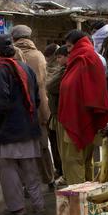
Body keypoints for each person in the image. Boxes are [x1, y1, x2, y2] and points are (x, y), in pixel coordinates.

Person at [0, 35, 44, 215]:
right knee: (31, 170)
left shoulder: (0, 70)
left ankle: (17, 208)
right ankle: (38, 205)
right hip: (28, 128)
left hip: (8, 130)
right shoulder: (26, 68)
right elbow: (35, 99)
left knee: (8, 170)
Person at [57, 30, 108, 185]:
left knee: (73, 160)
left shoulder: (86, 59)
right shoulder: (82, 59)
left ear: (78, 44)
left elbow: (91, 92)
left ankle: (78, 199)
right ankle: (85, 199)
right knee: (83, 161)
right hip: (77, 117)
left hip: (80, 118)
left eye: (68, 46)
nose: (67, 50)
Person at [11, 24, 55, 187]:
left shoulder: (12, 57)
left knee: (23, 149)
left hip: (21, 110)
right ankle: (49, 179)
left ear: (14, 39)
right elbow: (44, 83)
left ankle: (27, 185)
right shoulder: (39, 56)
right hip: (40, 108)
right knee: (43, 146)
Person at [44, 45, 67, 181]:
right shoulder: (52, 68)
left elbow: (50, 85)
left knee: (61, 146)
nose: (57, 60)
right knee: (55, 143)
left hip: (60, 113)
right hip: (53, 112)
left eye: (59, 57)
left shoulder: (64, 69)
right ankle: (60, 169)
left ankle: (63, 171)